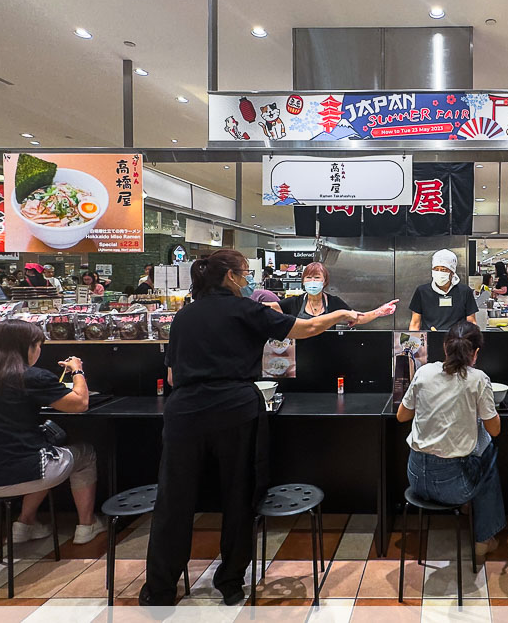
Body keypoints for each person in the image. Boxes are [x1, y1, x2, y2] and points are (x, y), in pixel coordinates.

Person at [141, 249, 366, 607]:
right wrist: (341, 314)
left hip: (185, 413)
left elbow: (171, 376)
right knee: (239, 497)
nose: (248, 279)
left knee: (173, 500)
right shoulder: (248, 310)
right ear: (230, 276)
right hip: (234, 411)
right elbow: (305, 329)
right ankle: (230, 583)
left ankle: (161, 587)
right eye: (245, 272)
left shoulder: (184, 316)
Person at [0, 320, 105, 545]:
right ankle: (86, 525)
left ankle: (25, 524)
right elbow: (80, 403)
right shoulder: (32, 376)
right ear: (27, 347)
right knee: (84, 453)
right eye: (38, 345)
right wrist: (77, 370)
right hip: (23, 473)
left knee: (42, 453)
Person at [395, 321, 505, 554]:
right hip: (453, 485)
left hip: (415, 477)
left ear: (445, 348)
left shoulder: (424, 372)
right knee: (490, 452)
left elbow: (402, 416)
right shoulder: (478, 379)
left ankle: (467, 507)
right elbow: (495, 429)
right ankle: (483, 540)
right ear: (475, 353)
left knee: (474, 452)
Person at [279, 262, 397, 324]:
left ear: (324, 281)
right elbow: (269, 310)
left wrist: (380, 311)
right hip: (299, 353)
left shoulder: (333, 302)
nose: (312, 281)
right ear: (303, 281)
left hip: (329, 351)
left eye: (317, 277)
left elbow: (358, 318)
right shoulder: (294, 302)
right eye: (308, 278)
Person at [409, 250, 478, 331]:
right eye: (436, 269)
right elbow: (415, 323)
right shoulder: (422, 291)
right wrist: (414, 340)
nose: (439, 272)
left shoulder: (465, 291)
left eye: (443, 270)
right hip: (430, 340)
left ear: (452, 272)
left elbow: (471, 322)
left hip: (457, 341)